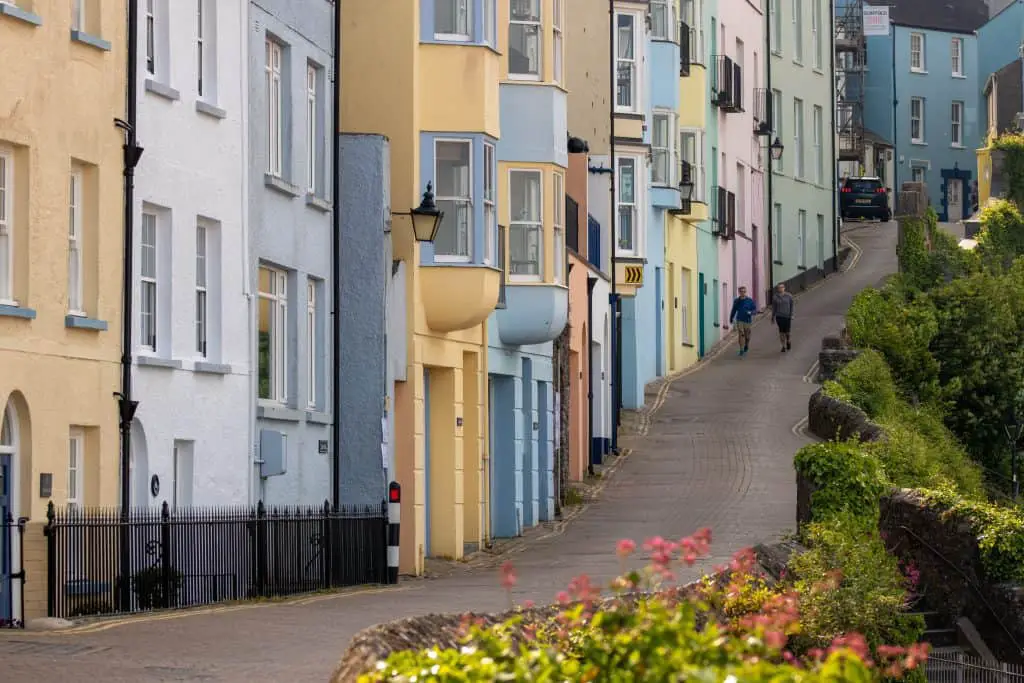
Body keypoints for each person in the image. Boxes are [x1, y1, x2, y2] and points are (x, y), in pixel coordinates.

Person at [728, 286, 757, 356]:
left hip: (747, 320)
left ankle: (746, 345)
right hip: (739, 320)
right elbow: (734, 310)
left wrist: (751, 312)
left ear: (745, 292)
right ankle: (741, 349)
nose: (743, 293)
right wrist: (731, 318)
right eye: (741, 292)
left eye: (744, 292)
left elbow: (755, 310)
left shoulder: (750, 301)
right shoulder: (737, 301)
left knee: (747, 336)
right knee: (741, 334)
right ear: (739, 292)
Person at [771, 283, 795, 353]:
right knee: (781, 332)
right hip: (779, 316)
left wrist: (792, 315)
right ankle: (783, 346)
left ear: (784, 288)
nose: (780, 289)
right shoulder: (775, 297)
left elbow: (792, 306)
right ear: (777, 289)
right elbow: (774, 308)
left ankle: (788, 341)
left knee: (787, 332)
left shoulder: (789, 296)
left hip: (787, 316)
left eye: (782, 287)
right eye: (779, 288)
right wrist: (773, 317)